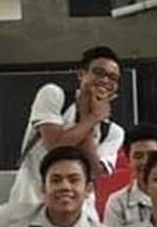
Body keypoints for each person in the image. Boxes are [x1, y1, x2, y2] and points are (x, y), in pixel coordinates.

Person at [8, 46, 123, 209]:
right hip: (31, 202)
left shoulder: (114, 132)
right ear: (81, 74)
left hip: (80, 213)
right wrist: (93, 117)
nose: (105, 81)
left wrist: (87, 118)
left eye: (113, 78)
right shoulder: (53, 95)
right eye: (98, 73)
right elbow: (54, 146)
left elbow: (92, 172)